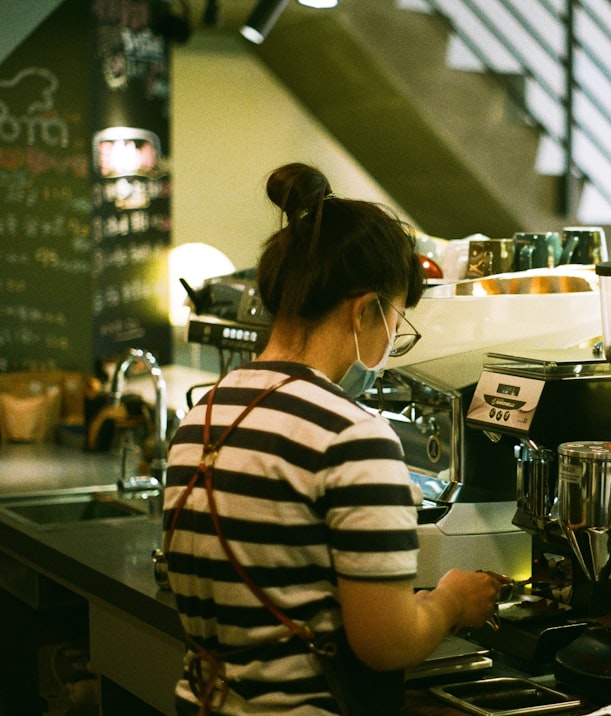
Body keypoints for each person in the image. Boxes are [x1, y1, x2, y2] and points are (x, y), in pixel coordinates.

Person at [162, 163, 506, 715]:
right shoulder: (352, 438)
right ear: (365, 308)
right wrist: (448, 602)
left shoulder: (203, 415)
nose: (394, 337)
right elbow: (385, 645)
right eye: (397, 317)